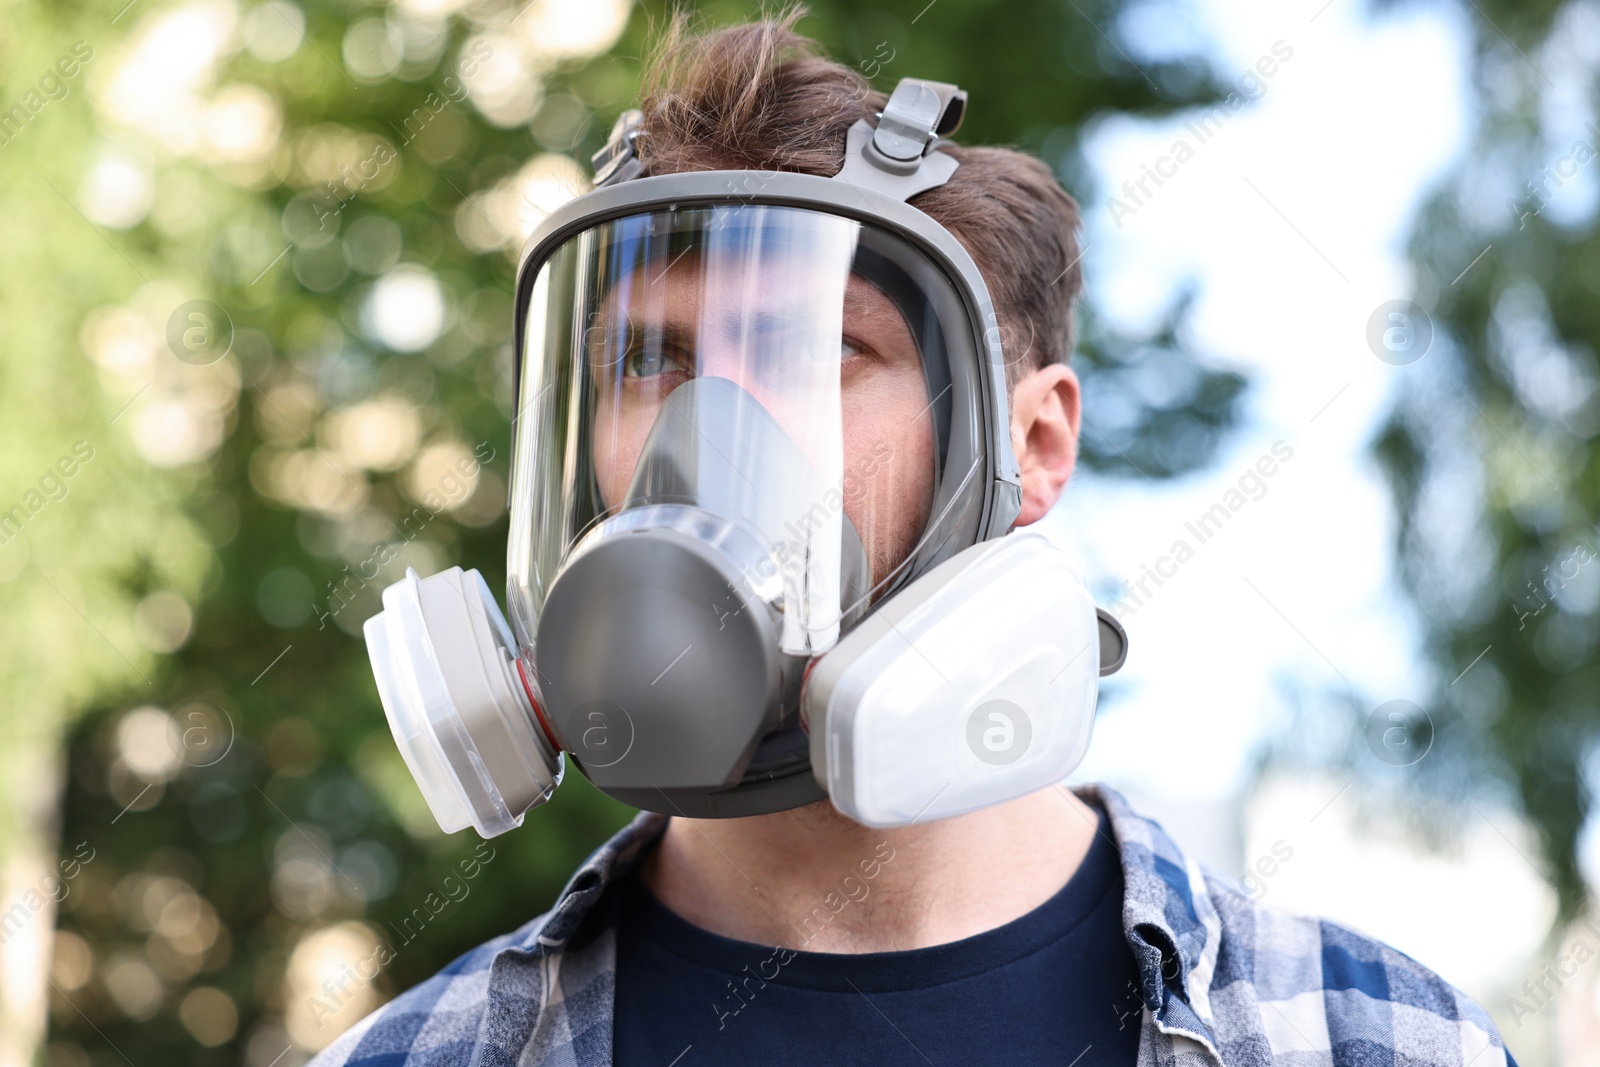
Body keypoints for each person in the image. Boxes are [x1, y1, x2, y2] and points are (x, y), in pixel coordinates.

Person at [316, 10, 1518, 1066]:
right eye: (647, 359)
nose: (708, 435)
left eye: (818, 349)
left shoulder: (1379, 1040)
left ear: (1035, 446)